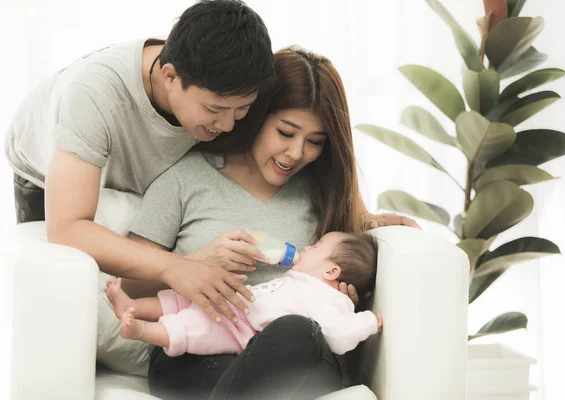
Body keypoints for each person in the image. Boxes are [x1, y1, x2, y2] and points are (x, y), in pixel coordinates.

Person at [126, 46, 418, 400]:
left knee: (296, 332)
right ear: (256, 115)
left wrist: (346, 297)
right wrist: (196, 263)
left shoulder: (323, 195)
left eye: (314, 142)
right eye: (285, 132)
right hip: (194, 353)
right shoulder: (185, 179)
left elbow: (339, 295)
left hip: (293, 353)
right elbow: (130, 288)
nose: (296, 153)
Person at [4, 0, 277, 319]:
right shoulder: (92, 94)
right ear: (170, 76)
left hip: (144, 177)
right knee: (64, 300)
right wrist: (176, 267)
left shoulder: (222, 82)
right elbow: (68, 229)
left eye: (241, 109)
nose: (228, 125)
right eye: (214, 110)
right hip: (47, 175)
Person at [105, 232, 383, 358]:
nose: (308, 247)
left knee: (192, 326)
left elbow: (338, 335)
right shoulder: (299, 279)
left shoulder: (331, 302)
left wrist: (369, 321)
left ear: (332, 271)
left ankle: (140, 330)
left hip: (240, 330)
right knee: (185, 298)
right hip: (238, 304)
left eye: (318, 246)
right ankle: (133, 305)